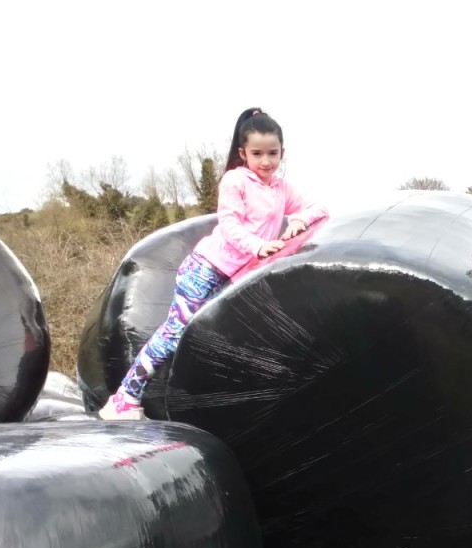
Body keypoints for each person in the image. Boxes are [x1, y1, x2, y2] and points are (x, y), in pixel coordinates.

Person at [99, 107, 328, 420]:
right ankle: (124, 398)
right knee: (175, 333)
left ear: (282, 152)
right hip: (206, 269)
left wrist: (299, 219)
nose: (265, 161)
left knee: (216, 336)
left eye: (272, 153)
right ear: (243, 153)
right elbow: (230, 226)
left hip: (236, 277)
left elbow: (319, 208)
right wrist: (259, 246)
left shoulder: (280, 188)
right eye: (257, 153)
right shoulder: (236, 181)